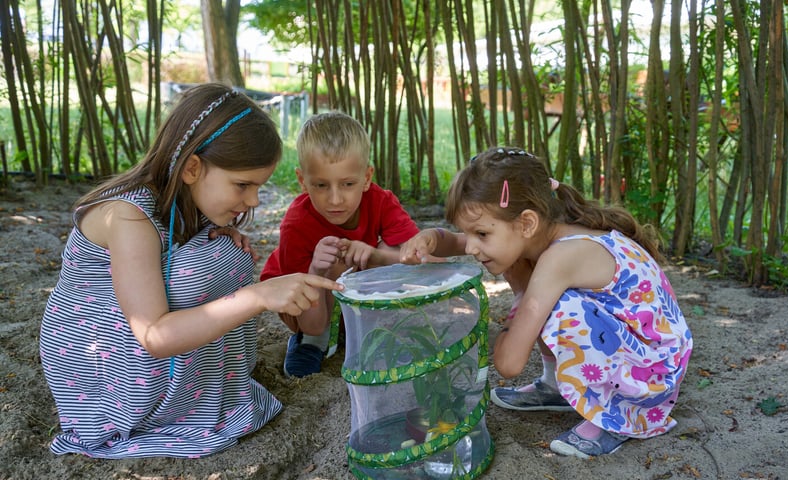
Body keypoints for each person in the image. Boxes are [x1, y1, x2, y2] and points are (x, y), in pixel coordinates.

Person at [39, 83, 343, 459]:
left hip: (136, 346)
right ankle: (165, 411)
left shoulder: (184, 199)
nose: (253, 200)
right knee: (209, 265)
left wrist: (215, 239)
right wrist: (256, 297)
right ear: (193, 167)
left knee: (223, 252)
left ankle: (204, 393)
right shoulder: (128, 216)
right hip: (101, 365)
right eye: (242, 185)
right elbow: (153, 334)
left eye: (258, 187)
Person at [400, 147, 693, 459]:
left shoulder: (559, 257)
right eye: (466, 232)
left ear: (527, 223)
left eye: (481, 233)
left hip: (652, 376)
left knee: (556, 304)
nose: (471, 246)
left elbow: (509, 364)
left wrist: (507, 316)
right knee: (522, 270)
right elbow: (463, 242)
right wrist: (432, 236)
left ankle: (617, 416)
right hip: (641, 349)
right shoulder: (545, 232)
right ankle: (557, 386)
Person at [260, 112, 420, 377]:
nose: (335, 199)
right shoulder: (296, 224)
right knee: (334, 257)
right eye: (321, 185)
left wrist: (375, 255)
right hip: (306, 309)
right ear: (302, 181)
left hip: (355, 292)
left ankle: (367, 329)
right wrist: (316, 271)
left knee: (393, 252)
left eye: (348, 184)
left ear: (367, 177)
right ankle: (313, 344)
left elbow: (417, 259)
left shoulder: (380, 202)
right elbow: (308, 318)